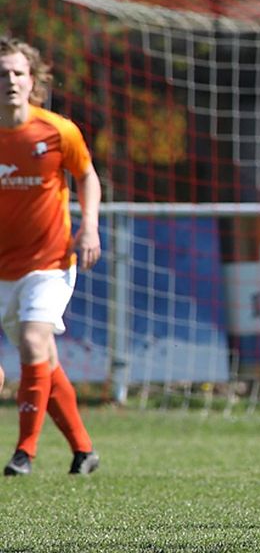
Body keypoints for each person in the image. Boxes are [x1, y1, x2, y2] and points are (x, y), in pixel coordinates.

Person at [0, 36, 102, 476]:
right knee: (47, 361)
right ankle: (84, 450)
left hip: (51, 262)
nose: (10, 81)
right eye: (2, 74)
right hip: (2, 268)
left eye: (17, 73)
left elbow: (87, 175)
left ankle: (24, 453)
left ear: (32, 79)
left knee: (32, 340)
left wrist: (90, 227)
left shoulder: (57, 130)